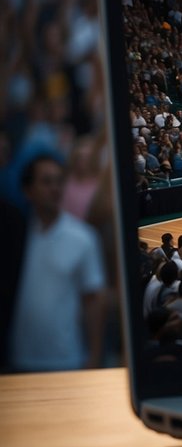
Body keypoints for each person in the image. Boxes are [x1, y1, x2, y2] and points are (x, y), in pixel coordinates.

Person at [7, 155, 107, 372]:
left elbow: (93, 300)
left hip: (67, 360)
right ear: (27, 190)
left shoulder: (84, 238)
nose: (55, 188)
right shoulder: (13, 236)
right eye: (46, 181)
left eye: (59, 181)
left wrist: (95, 357)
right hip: (17, 360)